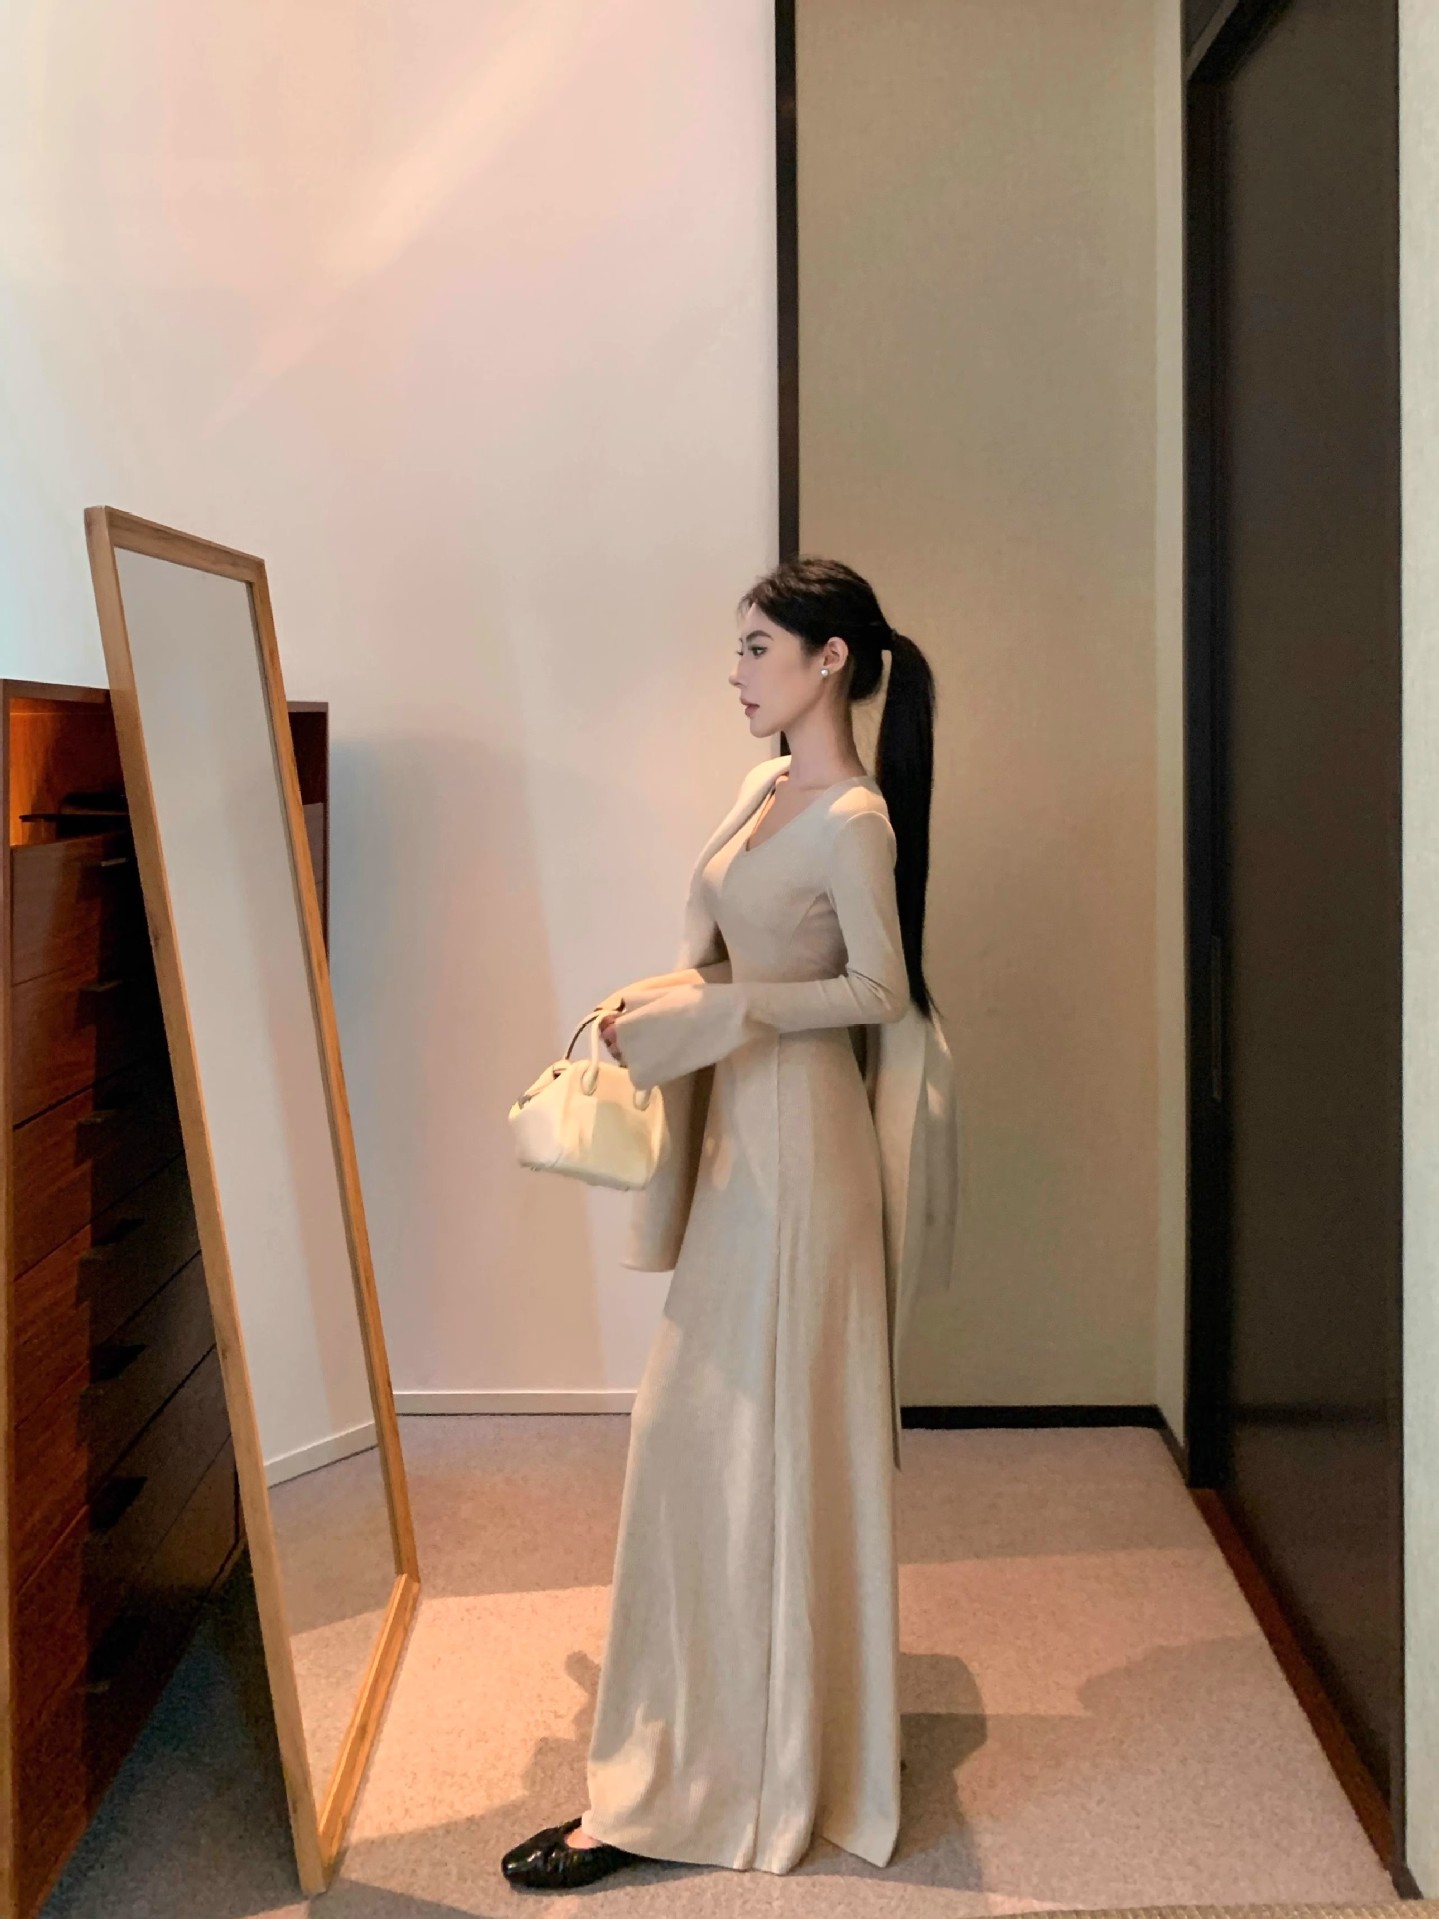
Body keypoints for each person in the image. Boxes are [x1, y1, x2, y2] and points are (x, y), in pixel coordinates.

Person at [501, 555, 955, 1892]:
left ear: (829, 660)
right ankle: (702, 1742)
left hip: (804, 1156)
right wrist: (666, 999)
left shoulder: (854, 819)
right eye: (738, 650)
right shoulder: (765, 790)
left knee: (754, 1448)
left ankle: (729, 1773)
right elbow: (722, 950)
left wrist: (735, 1010)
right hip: (737, 1146)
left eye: (759, 649)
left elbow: (881, 991)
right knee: (702, 1447)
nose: (738, 674)